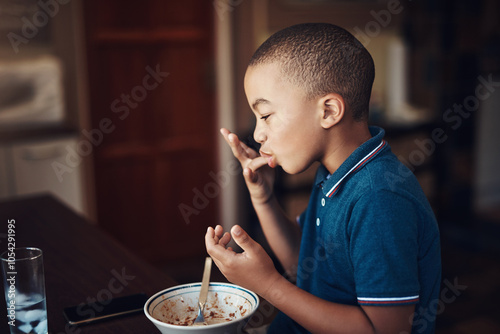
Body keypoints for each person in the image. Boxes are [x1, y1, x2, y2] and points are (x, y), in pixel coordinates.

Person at [205, 23, 441, 334]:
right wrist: (263, 198)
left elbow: (386, 331)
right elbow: (301, 266)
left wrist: (268, 284)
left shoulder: (379, 198)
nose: (258, 134)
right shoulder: (334, 172)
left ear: (328, 111)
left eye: (265, 116)